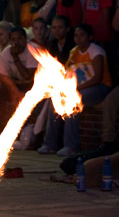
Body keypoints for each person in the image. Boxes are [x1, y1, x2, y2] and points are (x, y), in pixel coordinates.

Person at [40, 23, 112, 156]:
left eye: (82, 35)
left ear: (90, 37)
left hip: (100, 88)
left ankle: (70, 146)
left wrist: (74, 90)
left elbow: (97, 78)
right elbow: (67, 73)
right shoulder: (74, 52)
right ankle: (50, 144)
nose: (78, 39)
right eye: (76, 36)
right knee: (54, 100)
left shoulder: (96, 51)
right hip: (78, 88)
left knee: (72, 102)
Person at [0, 26, 38, 147]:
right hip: (14, 84)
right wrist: (14, 90)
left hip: (35, 86)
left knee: (22, 101)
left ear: (25, 39)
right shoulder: (6, 52)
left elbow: (28, 79)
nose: (16, 43)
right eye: (13, 39)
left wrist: (15, 58)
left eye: (19, 39)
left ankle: (20, 138)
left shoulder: (32, 50)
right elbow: (3, 76)